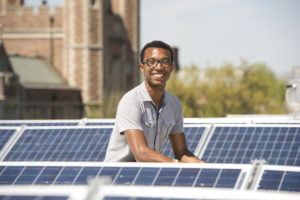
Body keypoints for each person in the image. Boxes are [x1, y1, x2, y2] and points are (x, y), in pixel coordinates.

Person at [104, 40, 205, 163]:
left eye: (165, 61)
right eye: (151, 62)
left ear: (172, 67)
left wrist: (203, 166)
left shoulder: (175, 104)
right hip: (118, 175)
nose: (158, 67)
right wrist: (177, 165)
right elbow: (141, 154)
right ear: (142, 67)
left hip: (147, 173)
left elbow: (181, 152)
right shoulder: (131, 101)